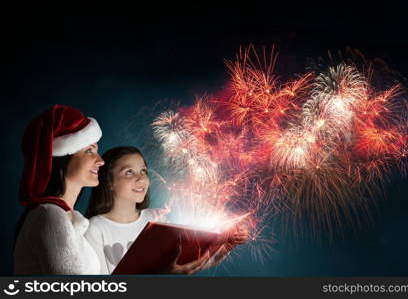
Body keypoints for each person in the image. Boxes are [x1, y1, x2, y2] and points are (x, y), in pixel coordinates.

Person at [85, 146, 248, 275]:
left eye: (143, 171)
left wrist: (225, 247)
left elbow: (193, 265)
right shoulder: (95, 228)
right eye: (129, 172)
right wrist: (158, 273)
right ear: (108, 182)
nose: (141, 178)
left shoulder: (157, 219)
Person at [14, 104, 105, 274]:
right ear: (63, 157)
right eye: (89, 151)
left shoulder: (66, 219)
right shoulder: (49, 215)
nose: (101, 160)